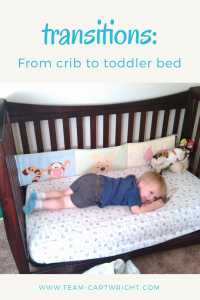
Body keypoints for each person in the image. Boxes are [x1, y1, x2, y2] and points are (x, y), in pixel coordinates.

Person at [23, 170, 167, 216]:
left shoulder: (132, 180)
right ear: (141, 184)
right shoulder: (134, 194)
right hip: (94, 193)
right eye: (151, 192)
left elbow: (131, 175)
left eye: (154, 198)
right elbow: (136, 210)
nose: (150, 198)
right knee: (63, 202)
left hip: (92, 178)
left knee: (63, 193)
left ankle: (40, 195)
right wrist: (153, 206)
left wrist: (139, 180)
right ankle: (36, 204)